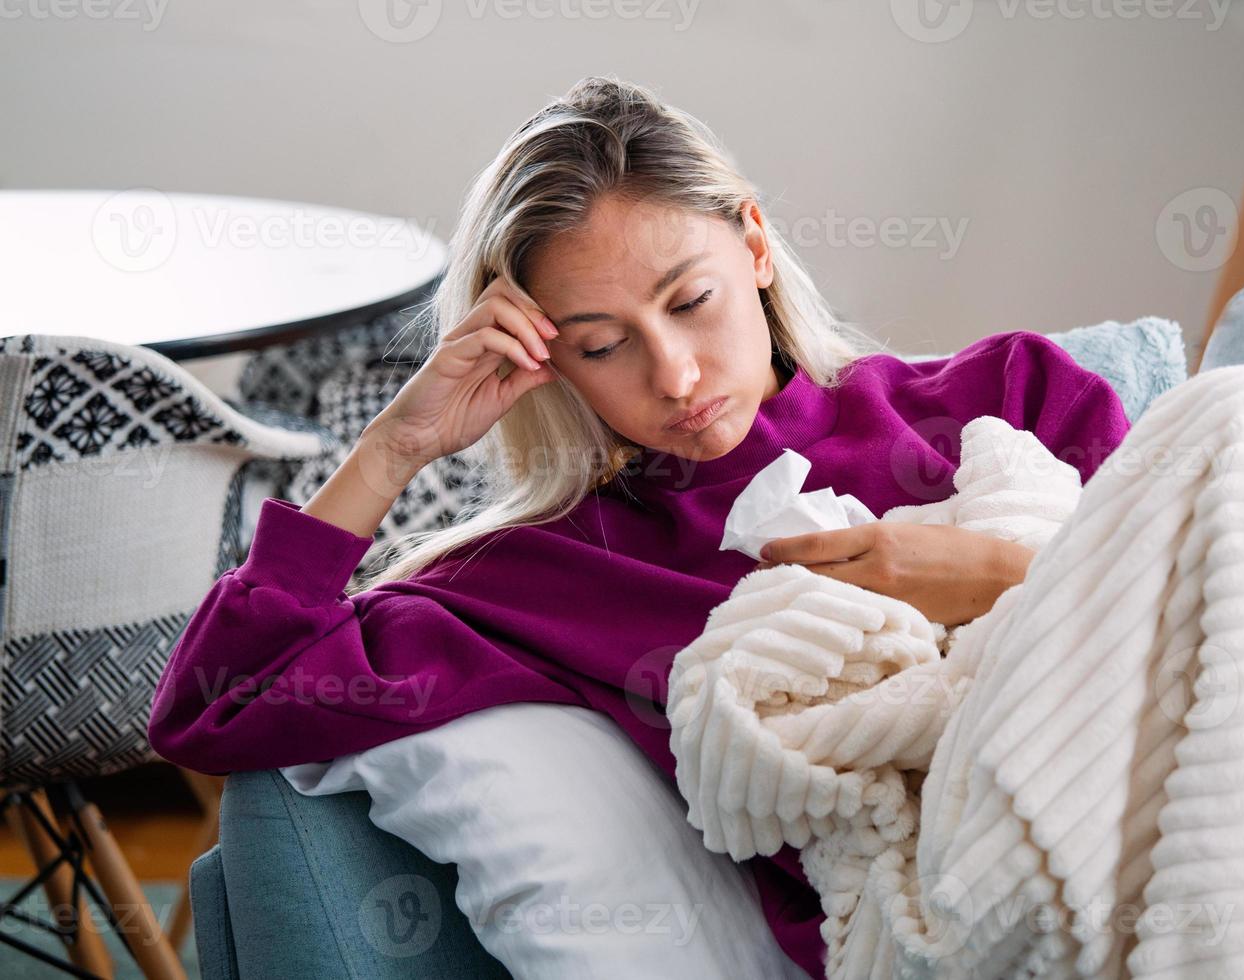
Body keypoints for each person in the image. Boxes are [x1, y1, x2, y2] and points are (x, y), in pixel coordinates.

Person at [147, 75, 1131, 978]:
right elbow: (214, 700)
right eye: (603, 344)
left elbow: (1201, 610)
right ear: (551, 363)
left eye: (690, 301)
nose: (674, 375)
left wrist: (999, 573)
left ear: (752, 242)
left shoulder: (1007, 394)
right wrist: (396, 446)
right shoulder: (553, 571)